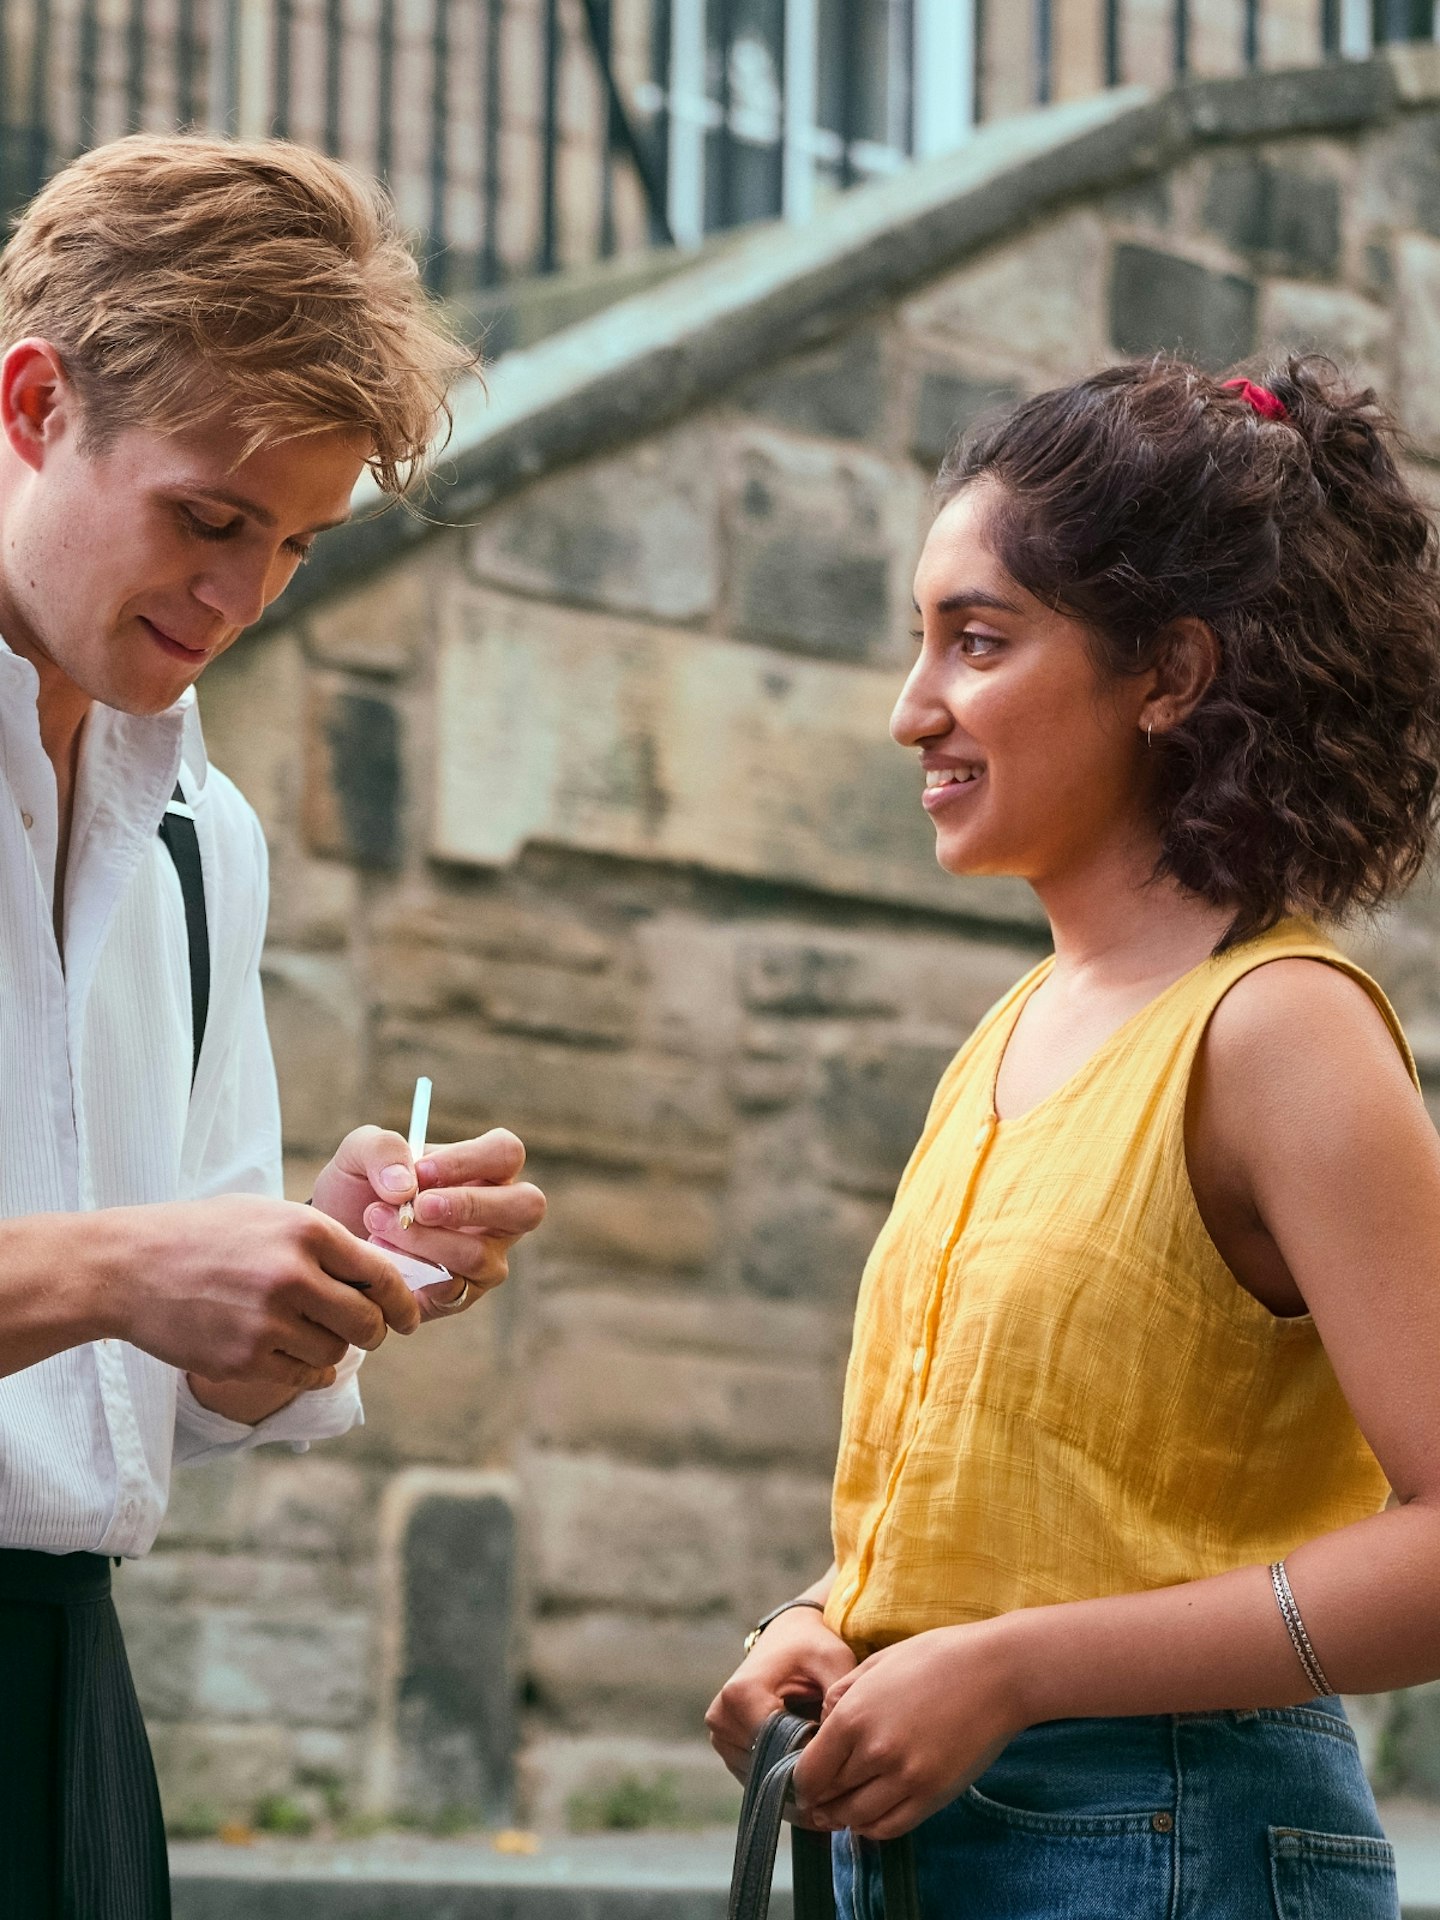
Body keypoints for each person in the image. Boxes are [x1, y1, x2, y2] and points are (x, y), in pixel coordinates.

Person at [706, 355, 1440, 1918]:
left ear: (1167, 673)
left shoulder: (1281, 1028)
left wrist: (1015, 1671)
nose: (915, 711)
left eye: (978, 641)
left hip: (1176, 1848)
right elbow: (1045, 1496)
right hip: (916, 1859)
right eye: (922, 645)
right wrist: (831, 1614)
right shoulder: (1011, 1028)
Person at [0, 134, 545, 1918]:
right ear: (30, 405)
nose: (241, 596)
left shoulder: (196, 833)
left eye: (298, 544)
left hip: (67, 1708)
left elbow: (186, 1387)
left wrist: (314, 1276)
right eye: (209, 518)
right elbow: (112, 1284)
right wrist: (111, 1271)